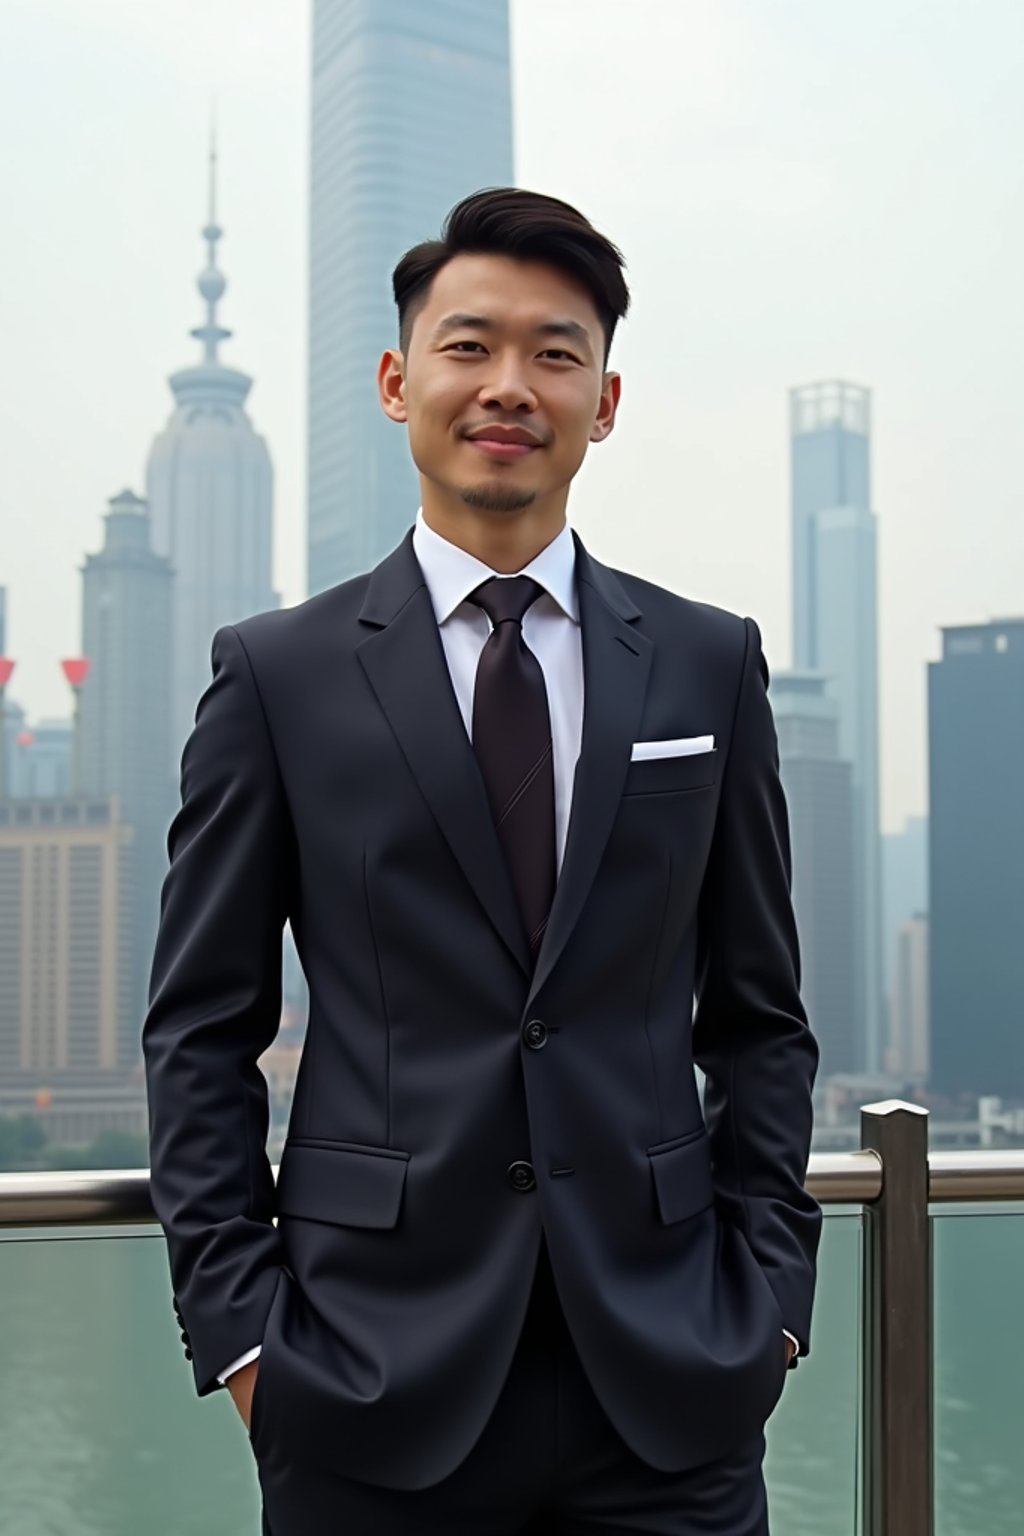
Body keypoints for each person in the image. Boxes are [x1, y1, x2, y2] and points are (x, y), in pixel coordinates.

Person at [143, 186, 821, 1536]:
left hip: (672, 1383)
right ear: (400, 383)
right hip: (365, 1385)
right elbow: (202, 1029)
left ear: (605, 401)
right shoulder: (277, 676)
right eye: (470, 346)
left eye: (555, 354)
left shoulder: (706, 662)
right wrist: (246, 1343)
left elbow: (761, 1018)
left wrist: (772, 1309)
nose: (510, 386)